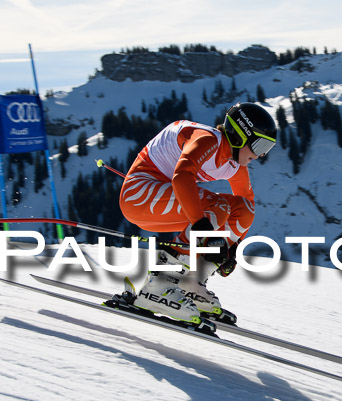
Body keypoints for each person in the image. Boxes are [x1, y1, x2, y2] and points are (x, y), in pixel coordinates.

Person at [118, 102, 277, 332]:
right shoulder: (208, 139)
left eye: (268, 148)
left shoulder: (234, 163)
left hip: (163, 198)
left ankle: (192, 281)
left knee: (242, 209)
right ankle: (159, 284)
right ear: (240, 135)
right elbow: (182, 177)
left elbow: (246, 203)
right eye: (260, 145)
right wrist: (203, 228)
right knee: (216, 205)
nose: (261, 154)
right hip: (137, 196)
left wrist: (232, 248)